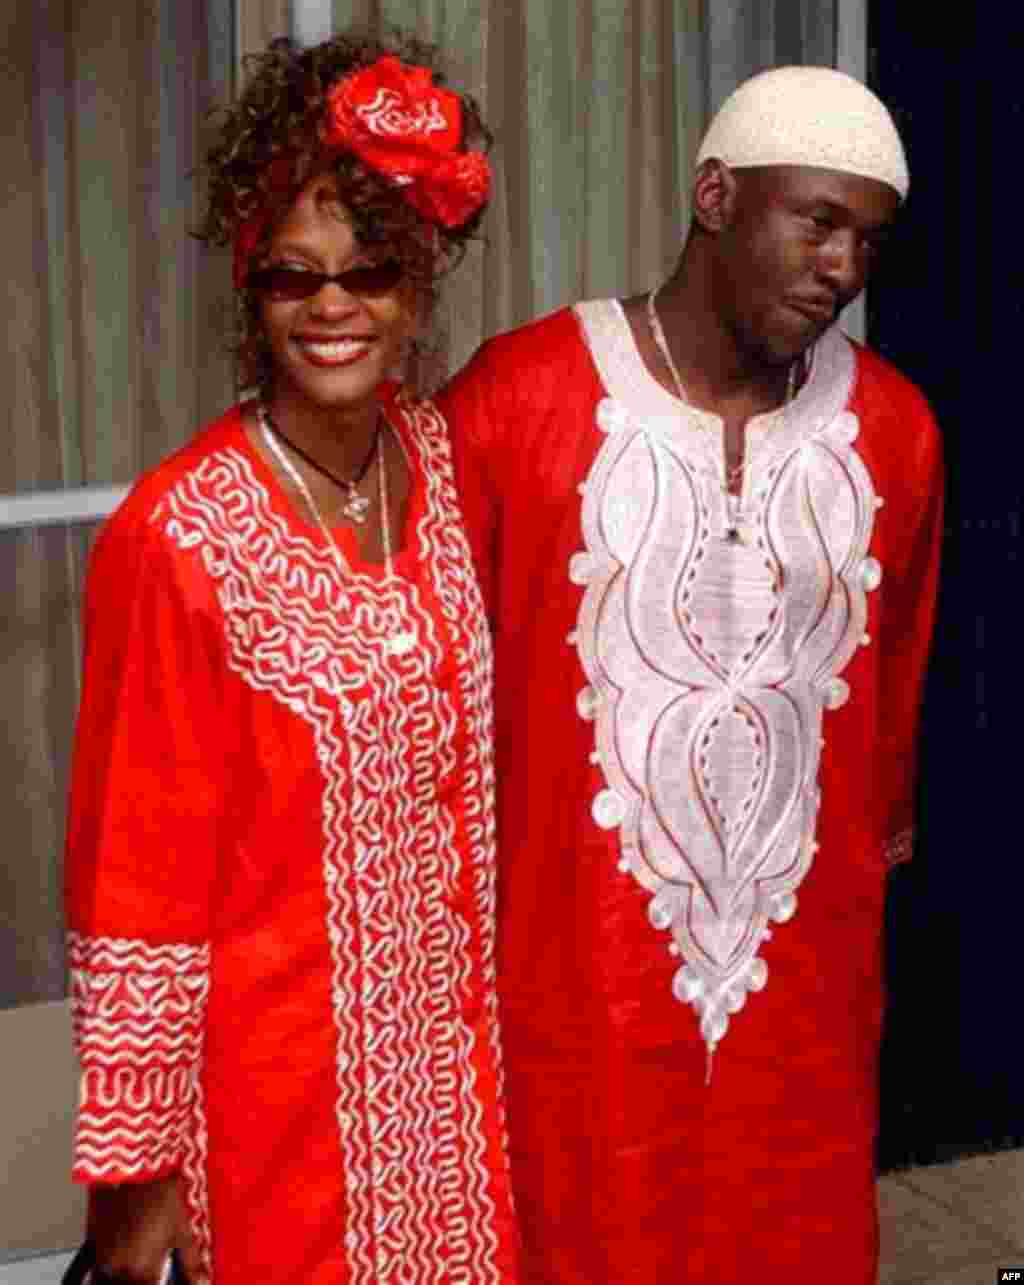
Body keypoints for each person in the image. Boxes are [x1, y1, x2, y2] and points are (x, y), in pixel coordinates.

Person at [439, 66, 943, 1284]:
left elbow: (885, 718)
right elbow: (435, 696)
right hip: (565, 988)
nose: (840, 267)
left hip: (800, 994)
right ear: (715, 194)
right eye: (815, 221)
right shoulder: (519, 399)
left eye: (866, 241)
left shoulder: (894, 433)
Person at [64, 32, 519, 1285]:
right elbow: (133, 901)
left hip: (458, 1116)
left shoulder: (442, 469)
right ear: (249, 295)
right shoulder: (177, 536)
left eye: (371, 272)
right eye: (291, 277)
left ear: (418, 290)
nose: (334, 307)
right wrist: (136, 1195)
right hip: (273, 1132)